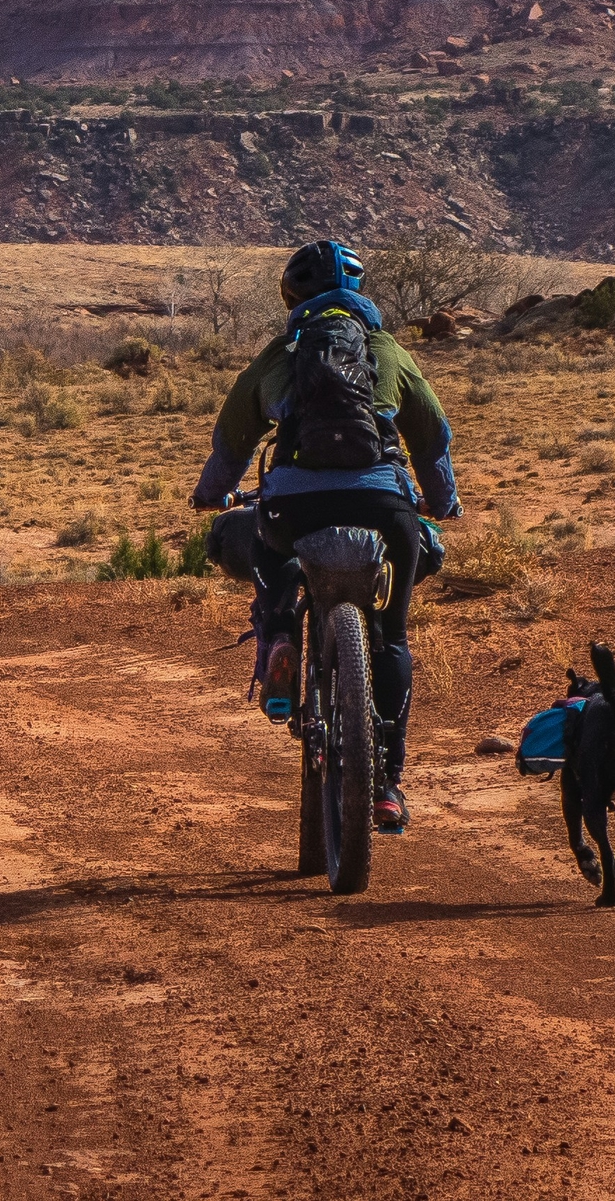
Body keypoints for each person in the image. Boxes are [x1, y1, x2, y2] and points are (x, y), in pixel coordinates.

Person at [194, 239, 456, 835]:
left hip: (293, 503)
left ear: (294, 298)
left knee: (270, 547)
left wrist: (213, 491)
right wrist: (443, 501)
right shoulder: (386, 351)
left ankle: (282, 635)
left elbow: (233, 435)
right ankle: (387, 784)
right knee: (391, 636)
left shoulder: (284, 353)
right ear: (359, 294)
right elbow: (433, 434)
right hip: (383, 502)